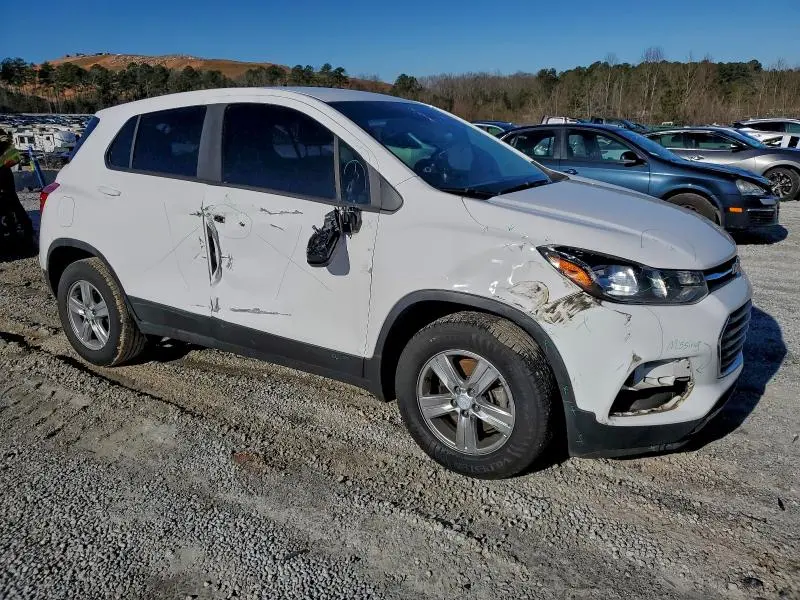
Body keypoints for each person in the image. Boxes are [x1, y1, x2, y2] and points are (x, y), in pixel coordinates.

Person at [0, 129, 35, 250]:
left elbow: (8, 147)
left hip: (3, 176)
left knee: (12, 208)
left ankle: (22, 240)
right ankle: (21, 238)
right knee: (13, 208)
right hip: (5, 175)